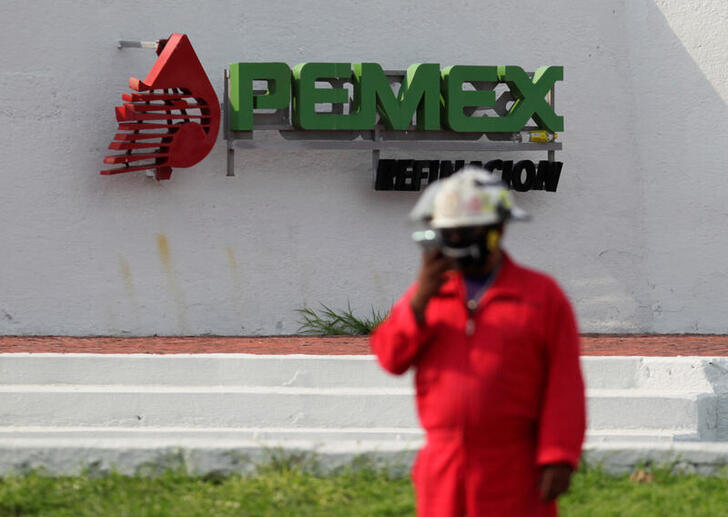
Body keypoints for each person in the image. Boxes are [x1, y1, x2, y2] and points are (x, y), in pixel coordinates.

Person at [370, 166, 586, 517]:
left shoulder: (540, 296)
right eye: (448, 233)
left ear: (496, 231)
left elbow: (564, 383)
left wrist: (559, 454)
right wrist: (419, 301)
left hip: (515, 465)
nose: (455, 242)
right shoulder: (427, 297)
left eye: (465, 232)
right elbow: (391, 358)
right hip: (444, 467)